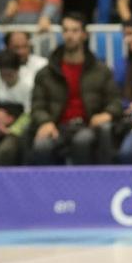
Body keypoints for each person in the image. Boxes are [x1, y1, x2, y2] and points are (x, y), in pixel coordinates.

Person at [29, 12, 122, 166]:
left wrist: (107, 114)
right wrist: (45, 121)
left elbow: (116, 101)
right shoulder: (46, 73)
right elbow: (37, 106)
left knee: (82, 140)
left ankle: (86, 181)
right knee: (42, 145)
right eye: (65, 30)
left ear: (84, 35)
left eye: (75, 31)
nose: (69, 35)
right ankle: (44, 183)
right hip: (57, 126)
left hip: (87, 125)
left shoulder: (101, 70)